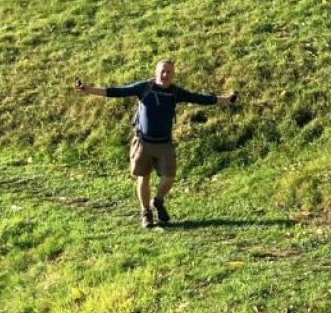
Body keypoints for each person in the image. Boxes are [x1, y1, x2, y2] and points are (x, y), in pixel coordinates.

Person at [75, 60, 236, 228]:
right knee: (143, 177)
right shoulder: (144, 87)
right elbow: (116, 91)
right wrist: (88, 89)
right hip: (143, 141)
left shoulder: (175, 92)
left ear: (173, 75)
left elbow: (200, 98)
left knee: (169, 178)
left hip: (164, 143)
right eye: (163, 71)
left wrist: (225, 99)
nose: (166, 75)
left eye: (169, 72)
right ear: (156, 72)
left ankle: (158, 201)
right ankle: (146, 212)